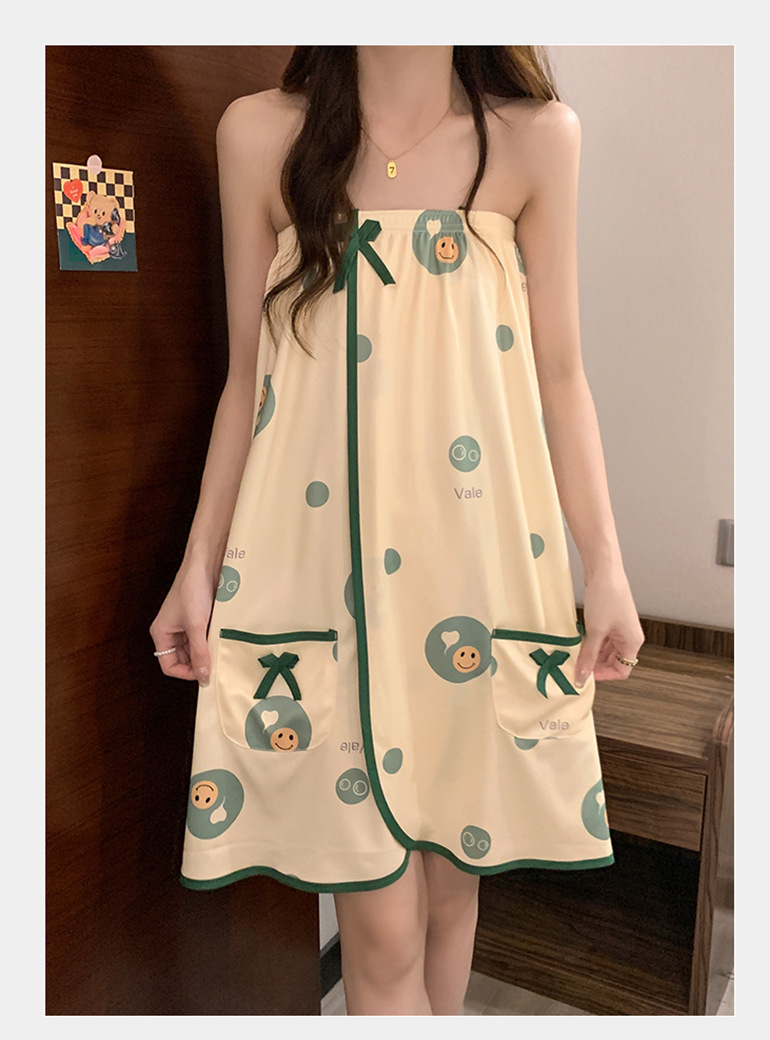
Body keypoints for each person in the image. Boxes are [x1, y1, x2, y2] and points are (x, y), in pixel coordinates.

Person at [150, 45, 645, 1017]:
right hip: (322, 580)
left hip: (480, 576)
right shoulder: (259, 134)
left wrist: (608, 567)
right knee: (380, 941)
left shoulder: (537, 140)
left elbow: (560, 376)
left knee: (454, 895)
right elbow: (247, 378)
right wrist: (197, 564)